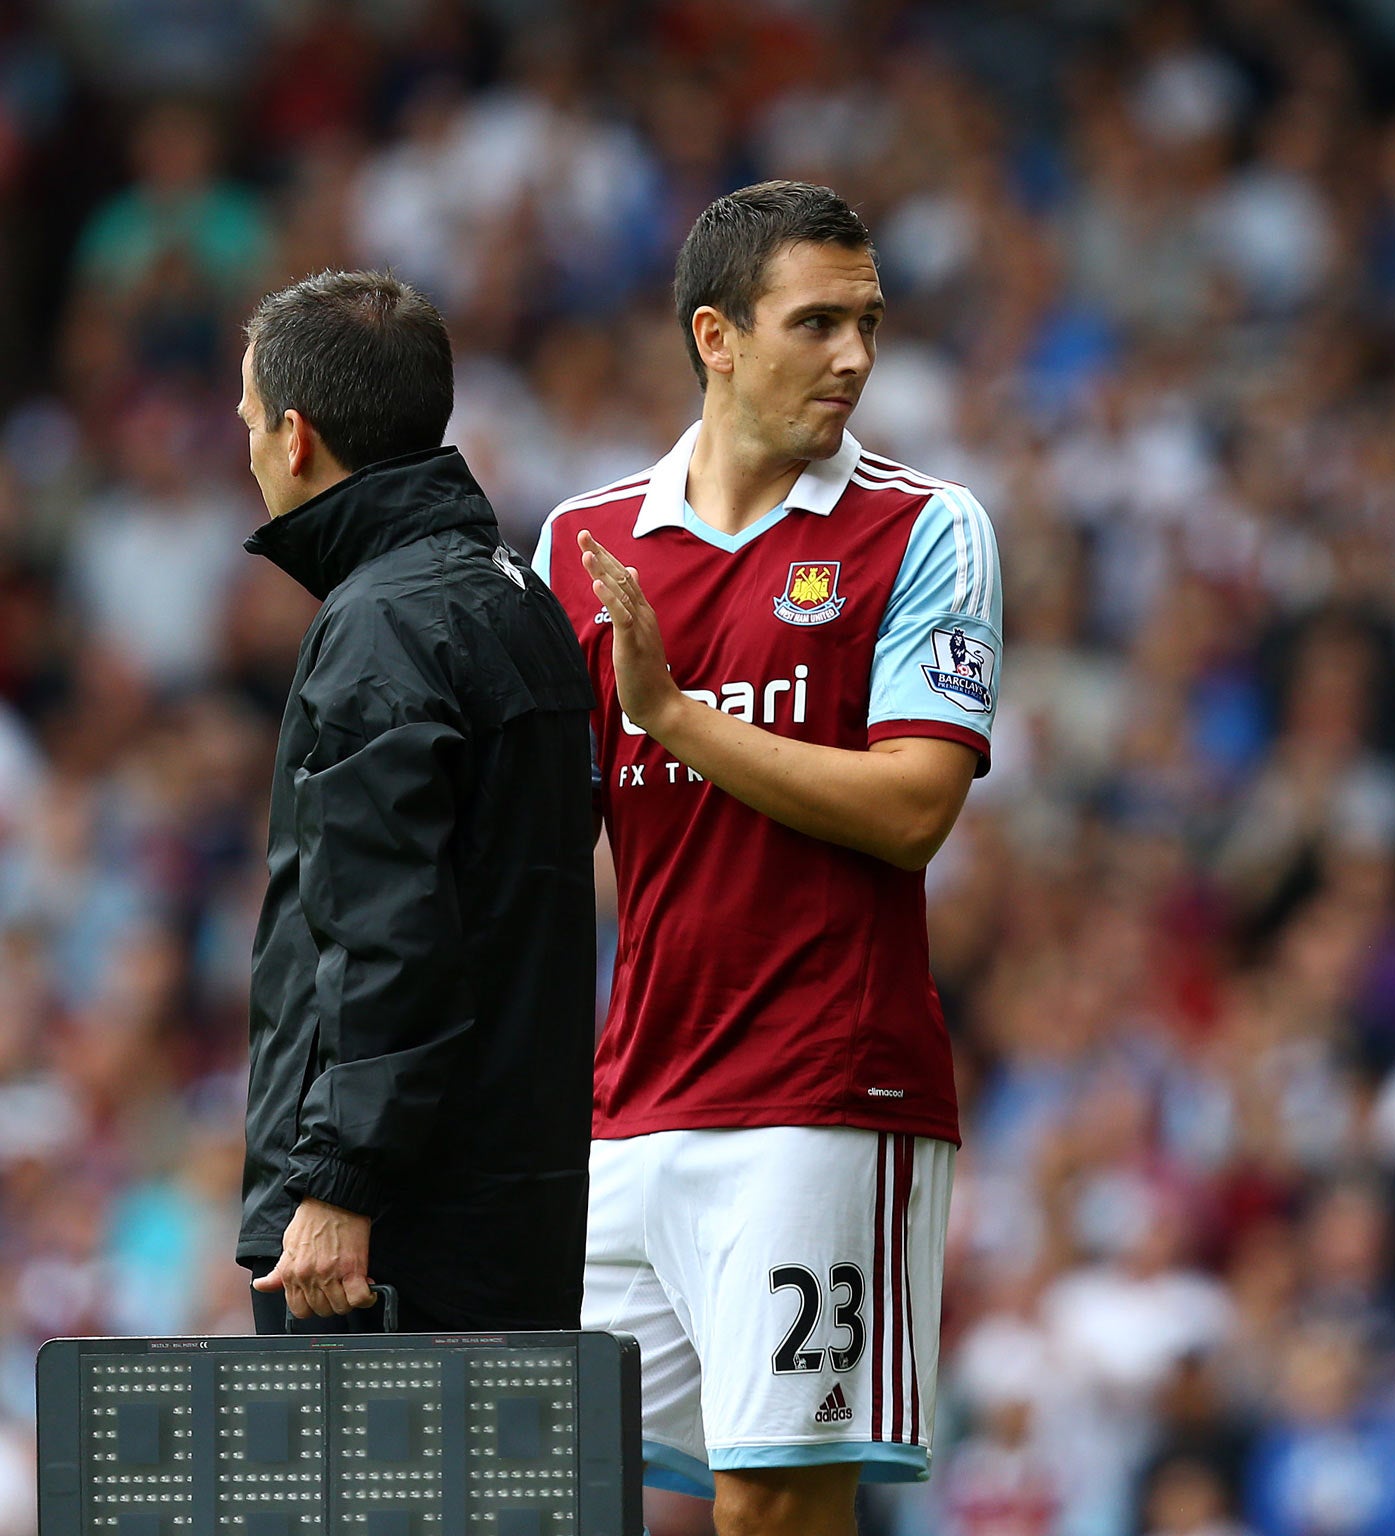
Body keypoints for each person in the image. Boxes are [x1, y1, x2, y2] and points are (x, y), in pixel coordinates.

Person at [534, 181, 1001, 1536]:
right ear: (716, 337)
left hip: (826, 1094)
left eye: (869, 323)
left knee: (772, 1512)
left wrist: (675, 718)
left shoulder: (923, 529)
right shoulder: (581, 543)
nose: (855, 357)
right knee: (534, 1474)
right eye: (817, 324)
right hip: (635, 1103)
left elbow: (915, 805)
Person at [236, 269, 598, 1333]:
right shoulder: (515, 595)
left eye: (251, 420)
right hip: (513, 1207)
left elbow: (389, 934)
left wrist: (341, 1182)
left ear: (296, 438)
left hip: (388, 1237)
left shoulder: (381, 625)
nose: (247, 444)